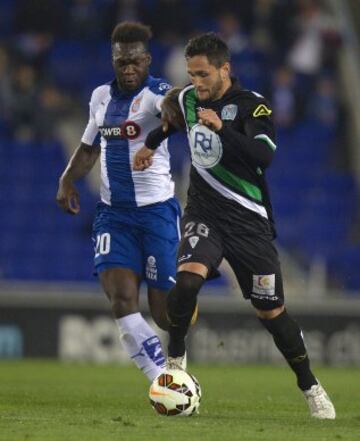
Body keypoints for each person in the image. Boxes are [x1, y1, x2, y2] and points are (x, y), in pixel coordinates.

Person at [133, 32, 336, 419]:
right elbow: (174, 120)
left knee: (272, 313)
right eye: (192, 74)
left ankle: (311, 386)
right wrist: (152, 142)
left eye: (204, 74)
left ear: (225, 70)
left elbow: (263, 156)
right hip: (205, 214)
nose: (197, 82)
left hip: (249, 224)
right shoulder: (189, 98)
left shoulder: (252, 106)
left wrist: (223, 129)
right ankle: (176, 365)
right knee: (187, 280)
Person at [56, 22, 181, 382]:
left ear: (147, 60)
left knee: (164, 315)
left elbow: (171, 103)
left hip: (156, 212)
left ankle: (187, 296)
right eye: (122, 62)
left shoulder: (157, 92)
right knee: (121, 299)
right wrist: (67, 180)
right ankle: (160, 379)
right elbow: (88, 148)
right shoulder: (100, 97)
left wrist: (174, 106)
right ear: (114, 60)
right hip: (114, 216)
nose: (129, 69)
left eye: (135, 62)